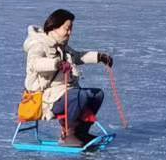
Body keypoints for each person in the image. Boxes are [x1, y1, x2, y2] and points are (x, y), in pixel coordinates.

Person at [23, 8, 114, 147]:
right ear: (54, 27)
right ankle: (67, 135)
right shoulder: (38, 45)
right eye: (67, 28)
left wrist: (99, 57)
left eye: (71, 28)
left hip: (63, 92)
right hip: (45, 99)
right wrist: (56, 63)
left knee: (96, 95)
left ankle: (81, 132)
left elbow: (77, 56)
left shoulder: (62, 46)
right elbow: (35, 63)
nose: (70, 32)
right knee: (79, 96)